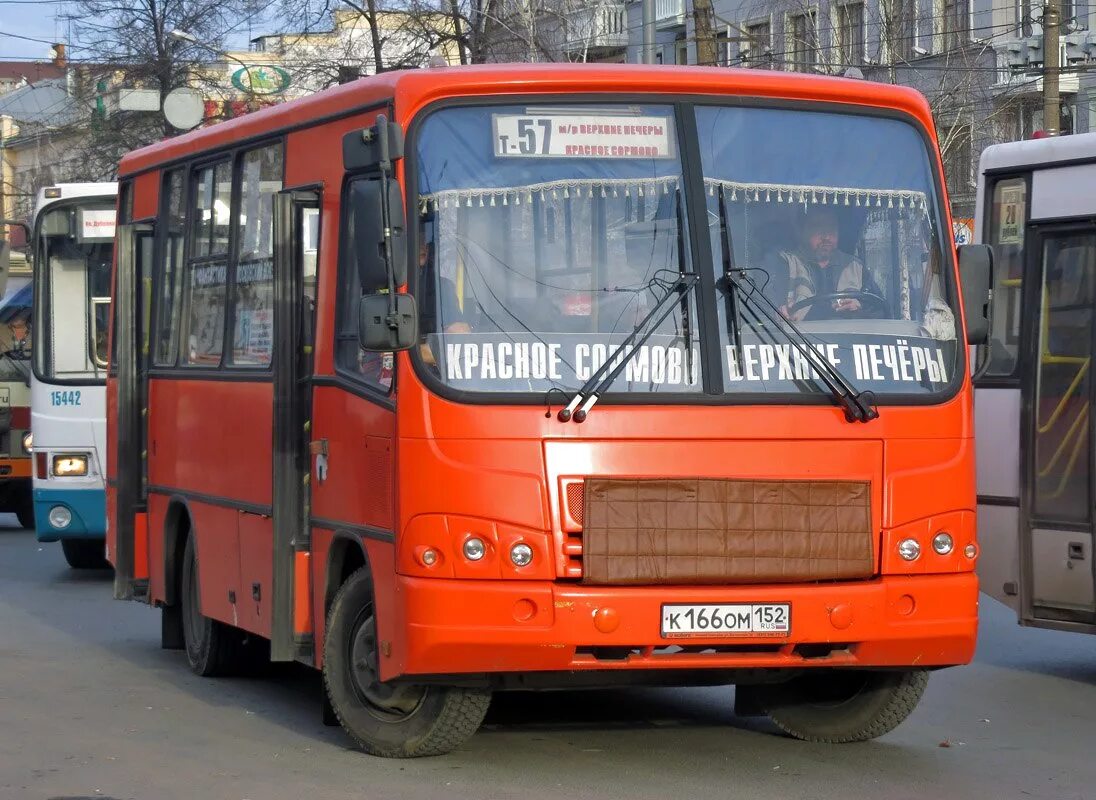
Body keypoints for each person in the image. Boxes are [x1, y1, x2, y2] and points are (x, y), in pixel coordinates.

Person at [765, 206, 877, 321]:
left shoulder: (855, 267)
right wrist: (777, 311)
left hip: (851, 338)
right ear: (802, 231)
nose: (826, 237)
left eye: (832, 228)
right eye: (818, 228)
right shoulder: (785, 265)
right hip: (797, 337)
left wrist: (860, 307)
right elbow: (765, 306)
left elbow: (881, 311)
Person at [0, 311, 31, 383]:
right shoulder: (2, 330)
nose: (17, 315)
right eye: (14, 313)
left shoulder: (37, 332)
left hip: (32, 378)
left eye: (21, 313)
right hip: (6, 378)